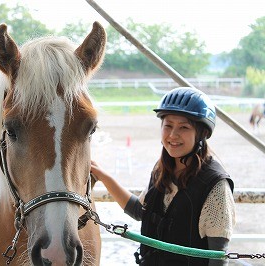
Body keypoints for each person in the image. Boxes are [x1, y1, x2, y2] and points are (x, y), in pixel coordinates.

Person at [91, 87, 235, 266]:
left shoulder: (215, 186)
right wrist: (104, 176)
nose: (173, 135)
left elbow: (217, 259)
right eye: (168, 126)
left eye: (183, 127)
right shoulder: (162, 170)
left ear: (202, 133)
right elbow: (140, 211)